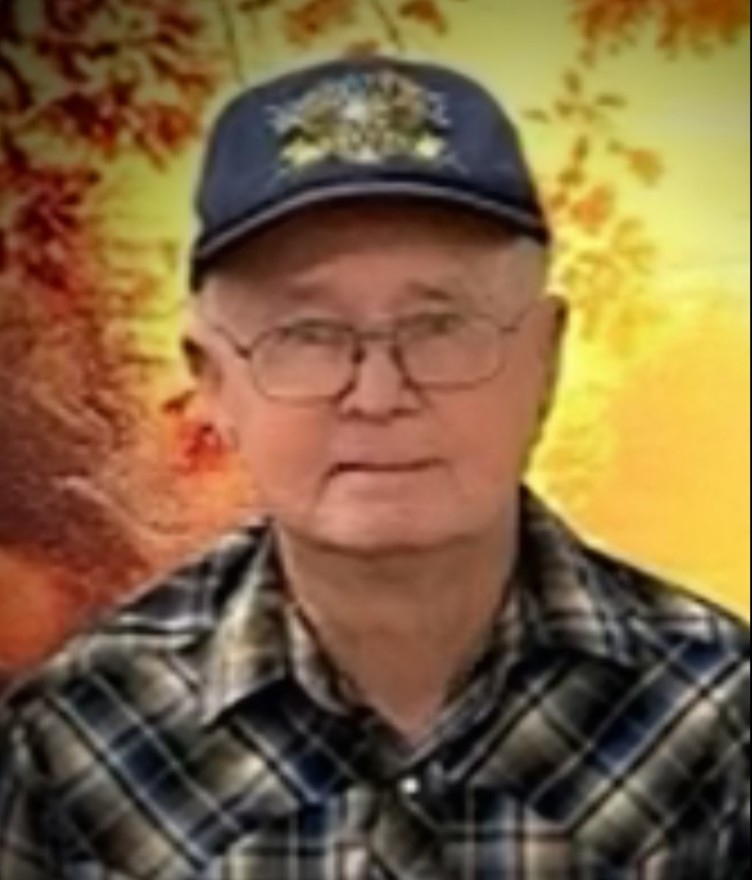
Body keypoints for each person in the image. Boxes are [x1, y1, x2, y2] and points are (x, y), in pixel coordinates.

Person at [0, 57, 748, 879]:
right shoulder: (77, 735)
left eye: (440, 326)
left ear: (545, 358)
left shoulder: (720, 716)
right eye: (307, 334)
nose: (379, 395)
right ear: (212, 382)